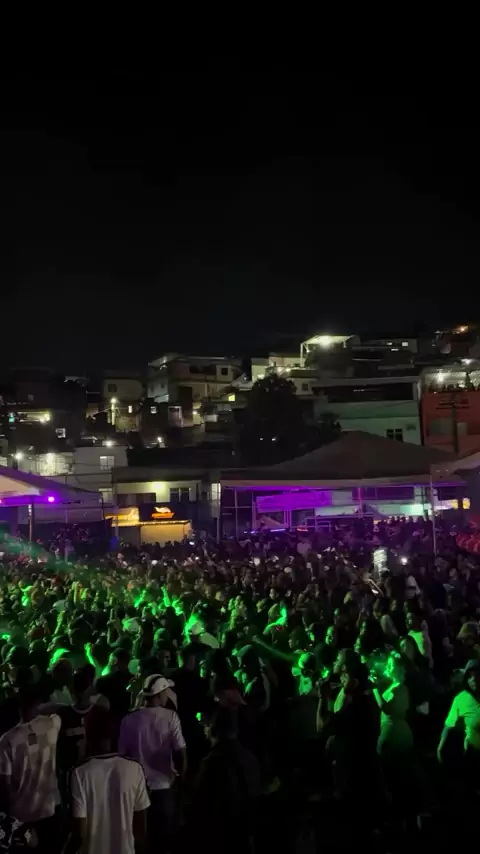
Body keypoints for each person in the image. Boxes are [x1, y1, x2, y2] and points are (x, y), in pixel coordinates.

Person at [118, 674, 187, 849]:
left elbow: (122, 756)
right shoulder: (171, 717)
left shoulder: (128, 720)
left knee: (140, 842)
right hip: (163, 787)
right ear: (161, 693)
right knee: (163, 842)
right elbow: (181, 753)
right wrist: (180, 779)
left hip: (136, 790)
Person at [70, 706, 150, 854]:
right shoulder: (135, 769)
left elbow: (80, 833)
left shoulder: (80, 774)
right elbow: (141, 827)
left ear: (88, 735)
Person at [0, 676, 62, 852]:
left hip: (21, 815)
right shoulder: (52, 724)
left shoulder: (8, 739)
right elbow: (60, 707)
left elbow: (5, 784)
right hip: (48, 808)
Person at [187, 708, 260, 854]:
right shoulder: (250, 759)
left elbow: (198, 804)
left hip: (220, 836)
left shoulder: (212, 762)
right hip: (245, 834)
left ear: (213, 730)